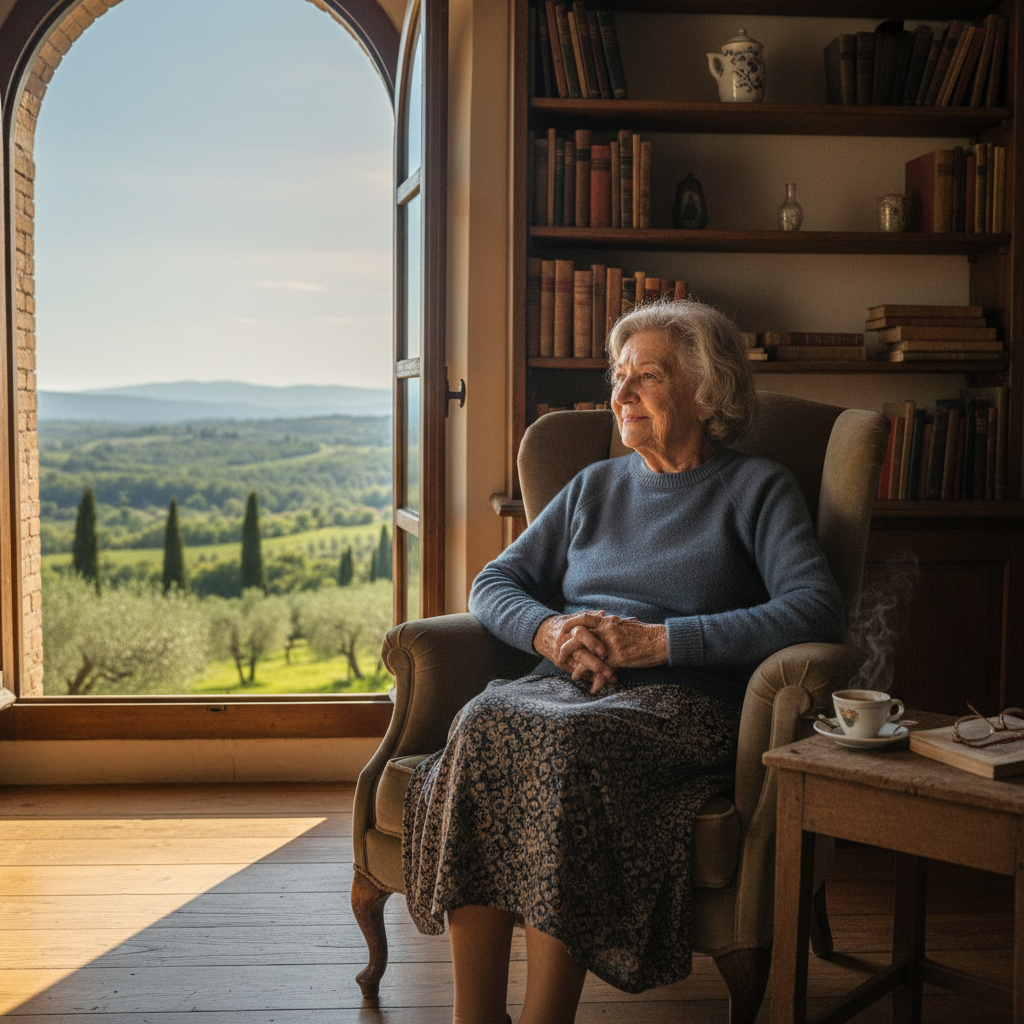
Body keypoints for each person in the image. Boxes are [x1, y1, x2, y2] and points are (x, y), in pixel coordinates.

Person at [402, 299, 846, 1024]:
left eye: (648, 376)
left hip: (683, 704)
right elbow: (494, 583)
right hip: (564, 686)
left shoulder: (757, 490)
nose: (622, 393)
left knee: (567, 745)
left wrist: (663, 641)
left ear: (706, 392)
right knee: (484, 718)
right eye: (618, 376)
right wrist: (549, 634)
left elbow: (813, 610)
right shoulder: (592, 487)